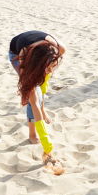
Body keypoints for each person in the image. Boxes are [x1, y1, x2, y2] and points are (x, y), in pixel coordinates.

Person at [9, 30, 66, 175]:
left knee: (42, 86)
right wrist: (46, 144)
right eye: (48, 67)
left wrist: (48, 68)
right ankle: (32, 133)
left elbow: (48, 69)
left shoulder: (58, 49)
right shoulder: (23, 60)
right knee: (34, 96)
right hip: (17, 53)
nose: (50, 71)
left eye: (52, 65)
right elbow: (33, 102)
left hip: (40, 53)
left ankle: (43, 109)